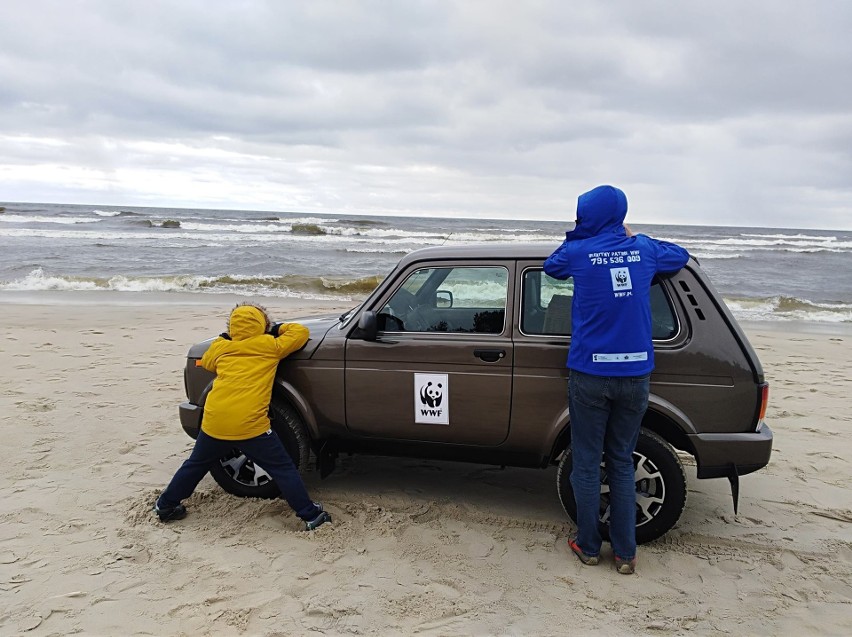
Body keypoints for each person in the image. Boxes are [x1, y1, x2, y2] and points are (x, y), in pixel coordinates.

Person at [543, 185, 689, 574]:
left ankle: (589, 547)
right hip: (635, 374)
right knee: (622, 462)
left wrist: (580, 235)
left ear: (587, 217)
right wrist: (631, 236)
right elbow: (681, 255)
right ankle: (626, 553)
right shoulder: (644, 249)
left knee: (587, 464)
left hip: (590, 374)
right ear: (620, 215)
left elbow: (551, 266)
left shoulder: (577, 252)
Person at [154, 303, 332, 531]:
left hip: (214, 421)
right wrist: (276, 329)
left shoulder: (221, 348)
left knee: (195, 466)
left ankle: (165, 505)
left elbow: (208, 361)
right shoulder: (269, 345)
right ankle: (311, 515)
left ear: (231, 327)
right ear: (263, 325)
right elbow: (300, 333)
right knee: (283, 469)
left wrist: (225, 338)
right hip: (251, 426)